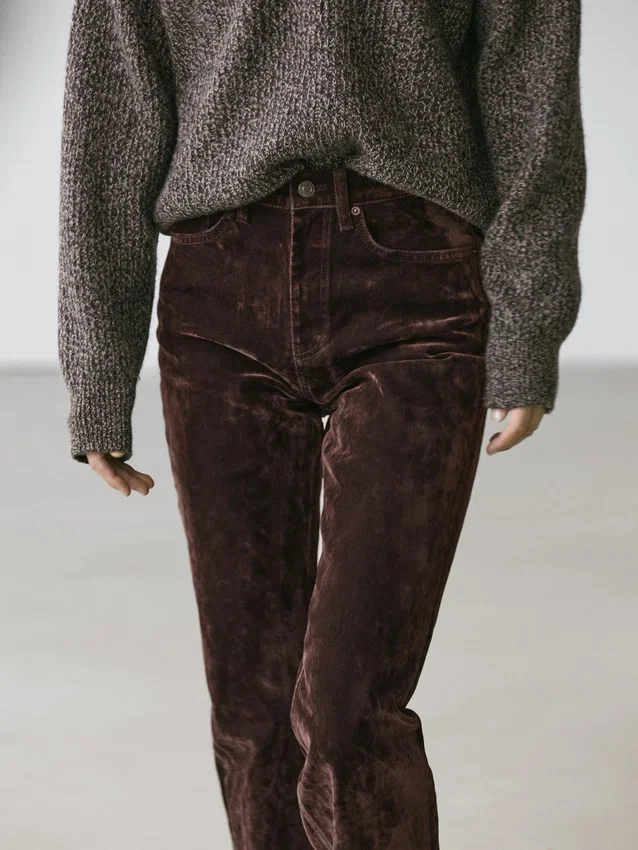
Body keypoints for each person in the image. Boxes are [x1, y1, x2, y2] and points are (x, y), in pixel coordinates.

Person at [57, 1, 586, 847]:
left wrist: (527, 330)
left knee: (349, 708)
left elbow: (533, 108)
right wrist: (96, 371)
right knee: (254, 710)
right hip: (218, 297)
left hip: (417, 285)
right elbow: (108, 125)